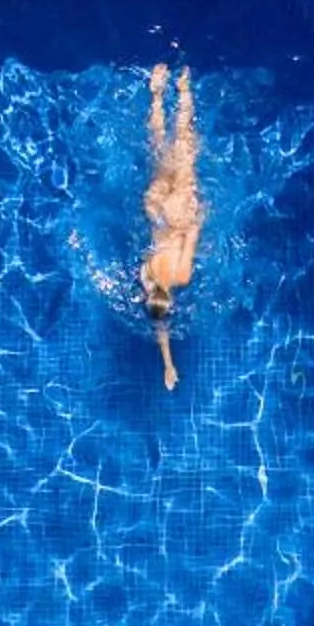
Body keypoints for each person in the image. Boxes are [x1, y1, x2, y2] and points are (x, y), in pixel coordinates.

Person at [139, 62, 203, 390]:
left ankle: (184, 90)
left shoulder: (181, 275)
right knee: (160, 150)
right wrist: (167, 361)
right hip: (156, 210)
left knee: (185, 149)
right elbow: (157, 315)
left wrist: (199, 213)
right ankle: (157, 95)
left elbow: (192, 232)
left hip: (179, 213)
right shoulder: (146, 275)